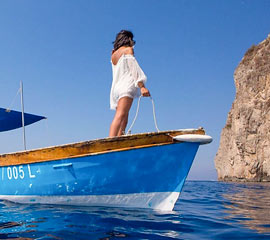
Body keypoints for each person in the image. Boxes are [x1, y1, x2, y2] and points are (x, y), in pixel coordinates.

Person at [109, 30, 150, 137]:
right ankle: (110, 143)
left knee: (123, 119)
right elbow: (134, 69)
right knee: (120, 116)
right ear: (129, 39)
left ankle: (118, 142)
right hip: (126, 86)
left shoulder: (113, 54)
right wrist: (142, 87)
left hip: (116, 89)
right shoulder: (128, 50)